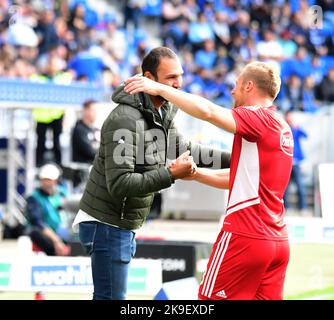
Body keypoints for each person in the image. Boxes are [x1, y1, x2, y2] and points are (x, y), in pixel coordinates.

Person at [125, 60, 294, 300]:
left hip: (245, 236)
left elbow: (208, 112)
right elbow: (240, 180)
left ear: (248, 86)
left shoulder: (257, 118)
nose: (232, 92)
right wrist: (195, 174)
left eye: (235, 85)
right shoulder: (282, 127)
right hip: (277, 240)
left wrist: (161, 89)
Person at [72, 46, 231, 300]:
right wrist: (171, 173)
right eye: (170, 78)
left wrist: (236, 158)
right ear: (149, 78)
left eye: (180, 76)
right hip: (107, 223)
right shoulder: (125, 119)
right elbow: (120, 184)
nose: (178, 84)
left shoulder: (161, 111)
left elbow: (184, 149)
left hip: (118, 223)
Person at [25, 163, 70, 256]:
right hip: (47, 235)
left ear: (56, 181)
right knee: (35, 232)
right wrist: (56, 240)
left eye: (49, 180)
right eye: (44, 180)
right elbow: (37, 222)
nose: (46, 182)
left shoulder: (62, 194)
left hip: (64, 231)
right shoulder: (34, 198)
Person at [283, 111, 308, 211]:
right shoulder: (284, 129)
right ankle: (286, 207)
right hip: (287, 162)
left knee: (300, 186)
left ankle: (303, 207)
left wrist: (298, 127)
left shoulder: (296, 128)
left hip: (296, 162)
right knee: (285, 187)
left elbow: (306, 135)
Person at [71, 99, 100, 164]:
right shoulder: (79, 129)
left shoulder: (96, 130)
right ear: (86, 111)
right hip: (83, 170)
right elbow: (90, 152)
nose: (96, 113)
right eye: (93, 110)